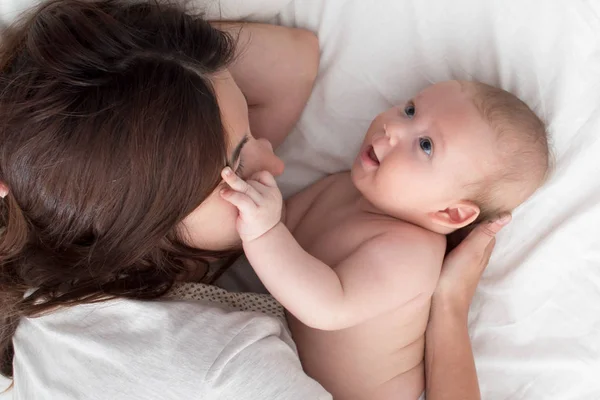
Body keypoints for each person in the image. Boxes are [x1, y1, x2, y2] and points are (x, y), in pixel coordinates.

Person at [0, 1, 517, 399]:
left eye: (248, 116)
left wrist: (139, 74)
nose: (276, 163)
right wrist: (450, 306)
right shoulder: (224, 366)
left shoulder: (54, 268)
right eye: (241, 163)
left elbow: (293, 62)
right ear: (145, 224)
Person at [220, 80, 549, 399]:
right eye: (409, 110)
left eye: (426, 145)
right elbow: (283, 227)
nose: (393, 129)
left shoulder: (411, 254)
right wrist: (263, 213)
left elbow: (326, 307)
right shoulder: (344, 186)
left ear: (451, 213)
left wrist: (263, 231)